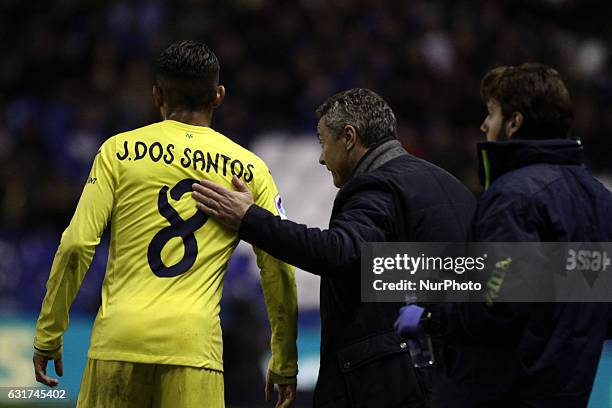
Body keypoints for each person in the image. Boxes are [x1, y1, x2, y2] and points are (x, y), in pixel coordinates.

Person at [32, 40, 298, 408]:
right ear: (218, 96)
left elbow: (77, 244)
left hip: (119, 341)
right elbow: (278, 266)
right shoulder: (251, 169)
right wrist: (284, 360)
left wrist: (49, 333)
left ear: (157, 94)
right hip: (194, 349)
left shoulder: (117, 151)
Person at [192, 88, 476, 407]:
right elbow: (472, 275)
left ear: (349, 137)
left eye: (323, 142)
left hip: (392, 383)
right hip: (457, 378)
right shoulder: (452, 187)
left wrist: (249, 219)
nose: (322, 157)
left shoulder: (377, 186)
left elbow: (340, 253)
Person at [396, 63, 612, 407]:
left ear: (514, 123)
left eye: (491, 113)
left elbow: (498, 304)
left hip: (503, 392)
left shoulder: (515, 195)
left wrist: (429, 318)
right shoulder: (599, 198)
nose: (483, 125)